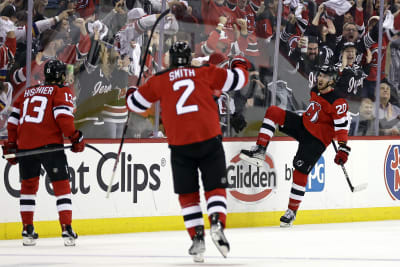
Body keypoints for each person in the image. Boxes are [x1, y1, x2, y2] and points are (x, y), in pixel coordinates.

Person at [125, 41, 249, 262]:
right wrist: (239, 62)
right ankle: (217, 222)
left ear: (171, 59)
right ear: (189, 58)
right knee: (215, 188)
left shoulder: (160, 79)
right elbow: (239, 80)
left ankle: (197, 238)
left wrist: (132, 89)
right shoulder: (204, 72)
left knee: (188, 196)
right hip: (210, 138)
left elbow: (135, 104)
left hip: (180, 145)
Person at [239, 65, 351, 227]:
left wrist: (343, 148)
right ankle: (260, 150)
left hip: (316, 140)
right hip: (303, 125)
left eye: (325, 77)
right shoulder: (315, 90)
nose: (320, 78)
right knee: (273, 112)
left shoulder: (338, 102)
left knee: (300, 170)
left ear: (332, 81)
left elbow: (341, 127)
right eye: (320, 75)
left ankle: (291, 211)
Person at [2, 60, 85, 246]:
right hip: (50, 146)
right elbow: (63, 117)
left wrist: (12, 144)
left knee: (28, 188)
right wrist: (75, 137)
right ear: (61, 76)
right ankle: (66, 228)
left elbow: (13, 121)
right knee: (61, 186)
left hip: (26, 147)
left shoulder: (27, 92)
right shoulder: (61, 91)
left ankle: (27, 230)